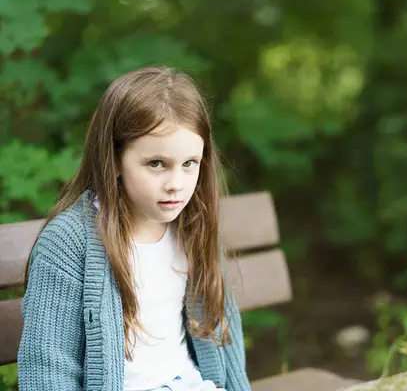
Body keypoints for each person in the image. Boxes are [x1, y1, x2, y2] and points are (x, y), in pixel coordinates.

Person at [17, 66, 251, 391]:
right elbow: (49, 367)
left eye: (189, 164)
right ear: (113, 160)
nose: (176, 185)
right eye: (156, 164)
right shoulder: (70, 243)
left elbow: (225, 335)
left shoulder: (192, 224)